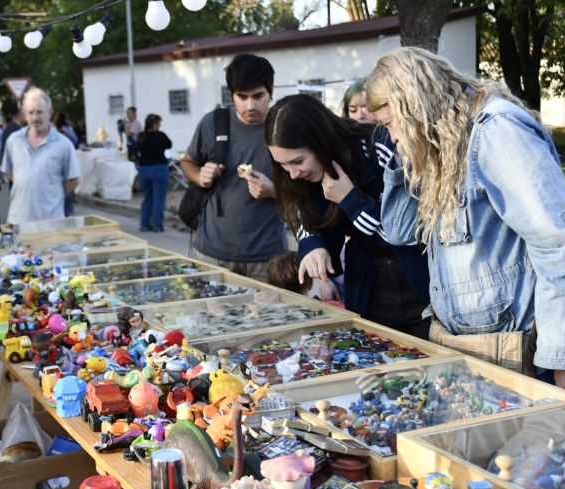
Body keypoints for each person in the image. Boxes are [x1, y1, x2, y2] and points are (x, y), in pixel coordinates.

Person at [366, 47, 565, 395]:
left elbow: (560, 244)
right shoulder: (443, 145)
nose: (391, 136)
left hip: (526, 358)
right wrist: (406, 161)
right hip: (472, 352)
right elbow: (399, 231)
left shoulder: (496, 130)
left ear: (413, 107)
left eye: (391, 124)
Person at [265, 94, 430, 336]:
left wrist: (350, 200)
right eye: (283, 165)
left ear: (320, 140)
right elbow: (307, 215)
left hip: (420, 283)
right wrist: (313, 245)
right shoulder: (304, 177)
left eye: (298, 161)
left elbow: (402, 234)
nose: (292, 173)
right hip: (368, 289)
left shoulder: (380, 145)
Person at [180, 53, 288, 282]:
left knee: (268, 319)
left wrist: (273, 191)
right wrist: (199, 176)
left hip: (267, 257)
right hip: (212, 254)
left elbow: (308, 187)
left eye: (258, 96)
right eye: (242, 97)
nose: (251, 105)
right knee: (210, 318)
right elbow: (188, 162)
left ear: (271, 91)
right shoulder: (213, 123)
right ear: (231, 95)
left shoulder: (285, 126)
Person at [1, 87, 80, 225]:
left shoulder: (64, 144)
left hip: (51, 222)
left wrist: (51, 194)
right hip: (18, 220)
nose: (35, 117)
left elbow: (73, 180)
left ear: (50, 112)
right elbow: (11, 173)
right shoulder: (13, 140)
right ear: (24, 115)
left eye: (40, 112)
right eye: (30, 112)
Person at [137, 114, 172, 232]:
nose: (160, 126)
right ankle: (157, 225)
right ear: (154, 124)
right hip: (159, 168)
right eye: (159, 124)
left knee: (147, 197)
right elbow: (169, 145)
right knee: (159, 199)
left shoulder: (141, 136)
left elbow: (137, 148)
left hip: (144, 169)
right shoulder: (160, 135)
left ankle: (144, 224)